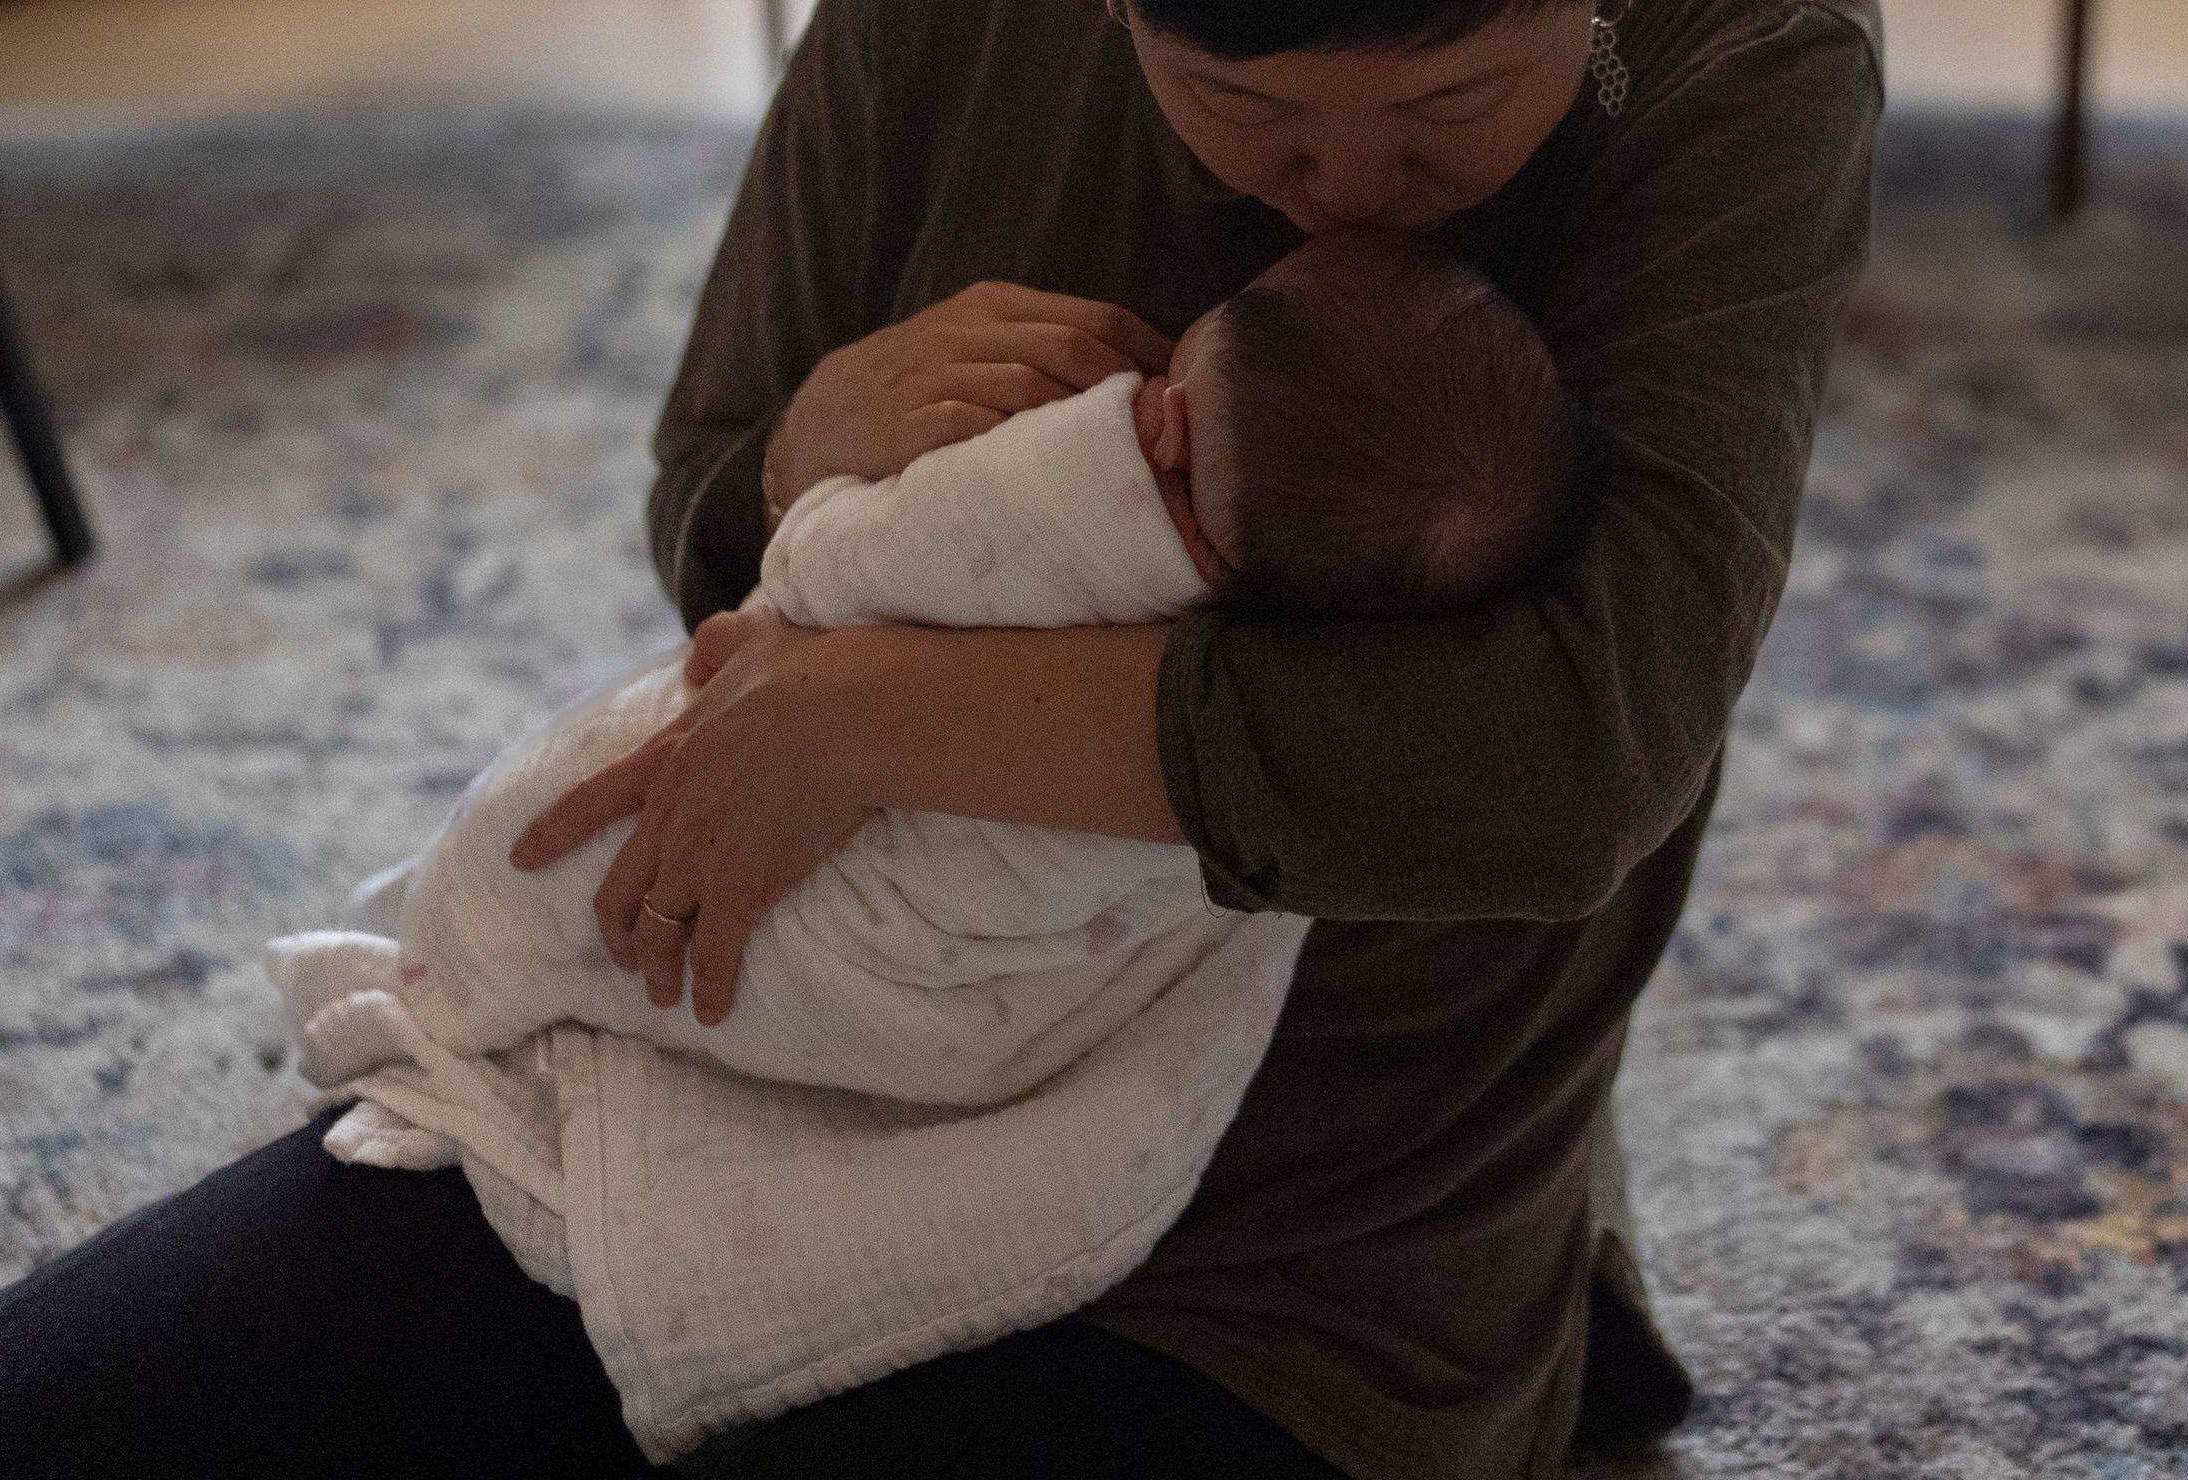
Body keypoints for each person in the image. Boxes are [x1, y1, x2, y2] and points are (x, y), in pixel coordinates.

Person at [0, 0, 1884, 1480]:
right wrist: (809, 446)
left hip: (1308, 1231)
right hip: (762, 1090)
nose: (1345, 191)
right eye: (1238, 105)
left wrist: (898, 713)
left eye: (1443, 120)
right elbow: (709, 511)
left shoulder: (1738, 30)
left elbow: (1571, 757)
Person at [262, 234, 1586, 1457]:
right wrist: (796, 439)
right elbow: (706, 480)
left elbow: (826, 574)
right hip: (991, 1029)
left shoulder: (1080, 479)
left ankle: (453, 991)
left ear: (1176, 406)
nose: (1347, 168)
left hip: (888, 946)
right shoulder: (1301, 649)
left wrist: (832, 513)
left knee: (562, 826)